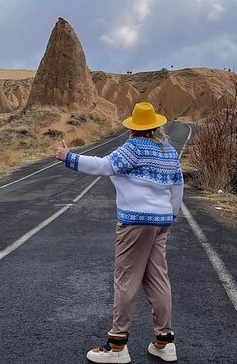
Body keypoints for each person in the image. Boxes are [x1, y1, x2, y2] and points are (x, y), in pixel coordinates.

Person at [56, 102, 183, 363]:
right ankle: (164, 341)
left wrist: (69, 157)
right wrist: (169, 216)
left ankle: (117, 345)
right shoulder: (169, 151)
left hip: (135, 222)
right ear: (157, 126)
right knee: (158, 279)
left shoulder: (133, 148)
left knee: (126, 279)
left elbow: (104, 166)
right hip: (160, 222)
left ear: (134, 127)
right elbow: (178, 187)